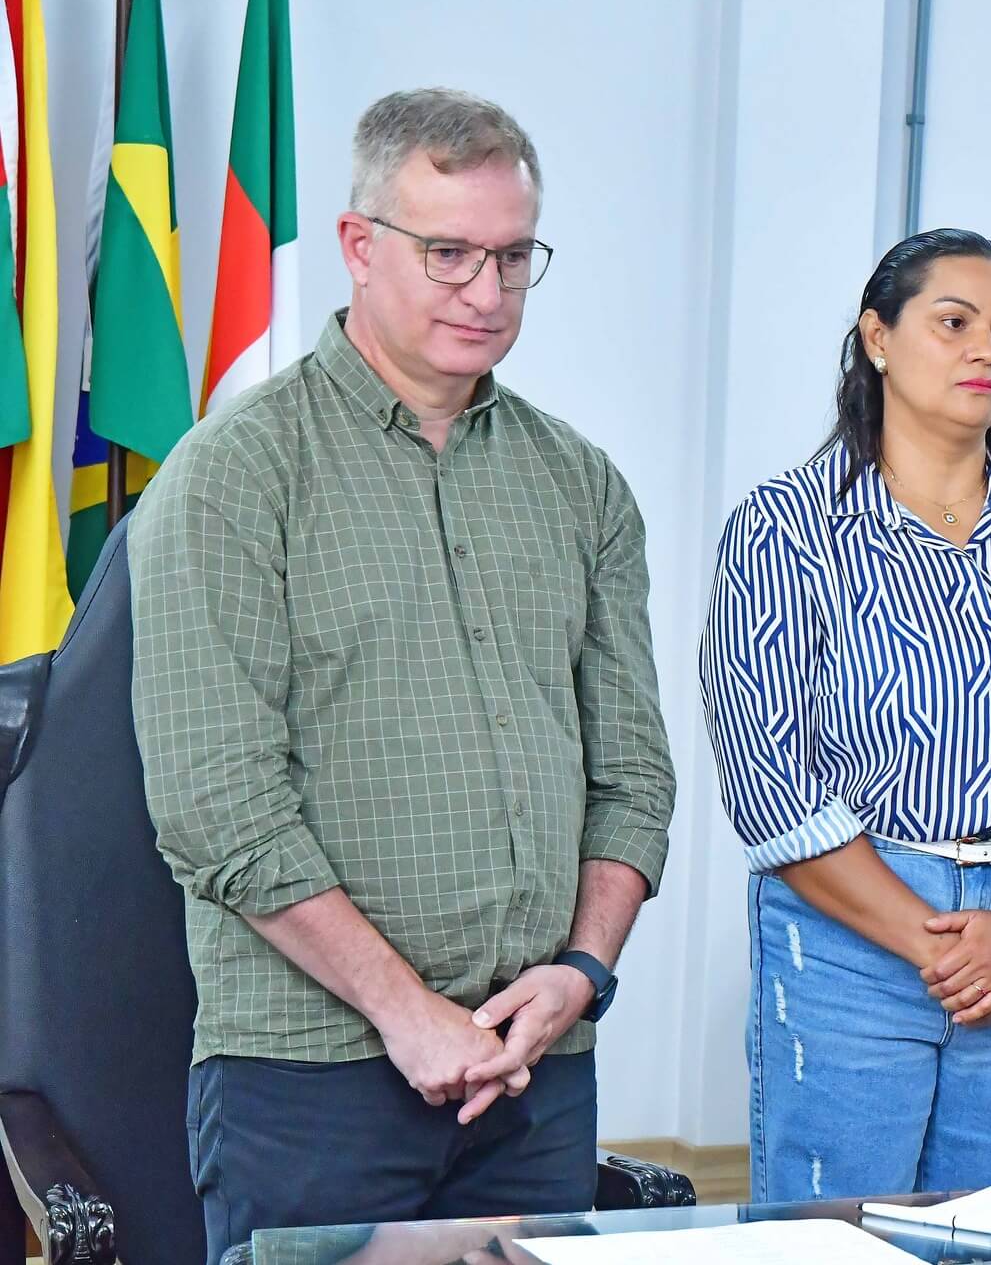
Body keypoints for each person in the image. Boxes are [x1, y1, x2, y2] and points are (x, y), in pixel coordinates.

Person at [131, 88, 675, 1261]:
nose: (486, 290)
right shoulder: (234, 474)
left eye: (513, 256)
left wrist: (581, 972)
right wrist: (406, 1010)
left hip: (535, 1068)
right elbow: (216, 807)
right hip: (310, 1073)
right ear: (358, 245)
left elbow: (633, 777)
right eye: (448, 253)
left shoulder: (580, 483)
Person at [699, 229, 991, 1203]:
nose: (986, 350)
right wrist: (943, 946)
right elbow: (770, 783)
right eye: (954, 323)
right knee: (839, 1238)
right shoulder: (786, 528)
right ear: (877, 337)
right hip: (851, 937)